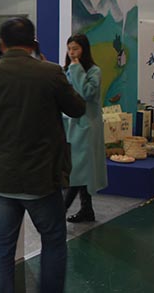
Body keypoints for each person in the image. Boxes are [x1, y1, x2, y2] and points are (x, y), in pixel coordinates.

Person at [0, 17, 86, 293]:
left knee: (2, 247)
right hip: (42, 177)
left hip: (2, 176)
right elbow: (77, 108)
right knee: (53, 241)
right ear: (34, 43)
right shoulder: (50, 72)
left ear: (1, 43)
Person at [62, 33, 108, 223]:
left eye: (76, 49)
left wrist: (76, 69)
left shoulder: (93, 71)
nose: (72, 52)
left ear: (84, 49)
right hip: (70, 125)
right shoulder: (67, 70)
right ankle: (86, 210)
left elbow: (87, 93)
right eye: (69, 49)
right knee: (81, 169)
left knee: (78, 170)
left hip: (86, 126)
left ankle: (60, 211)